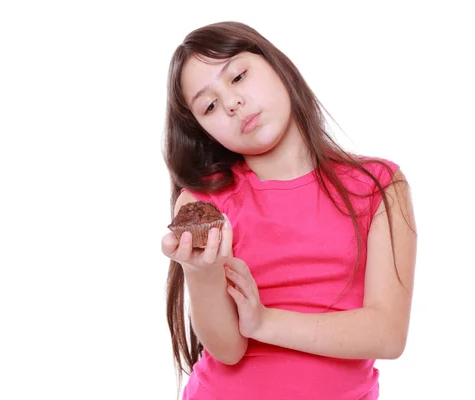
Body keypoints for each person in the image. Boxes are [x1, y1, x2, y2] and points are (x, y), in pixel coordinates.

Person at [160, 21, 417, 400]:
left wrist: (264, 322)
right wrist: (202, 274)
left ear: (277, 65)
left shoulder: (380, 186)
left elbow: (387, 334)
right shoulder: (204, 205)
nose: (232, 103)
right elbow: (228, 350)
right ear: (203, 131)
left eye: (239, 76)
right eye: (209, 105)